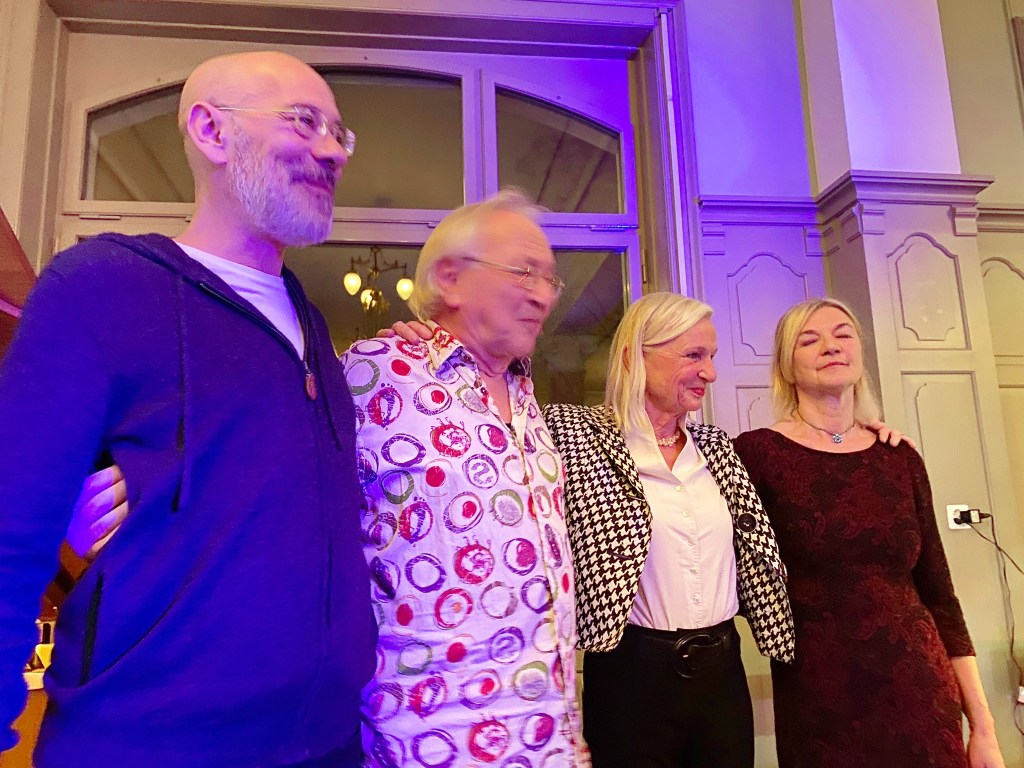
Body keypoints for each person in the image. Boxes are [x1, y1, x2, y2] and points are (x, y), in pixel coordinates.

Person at [0, 51, 376, 767]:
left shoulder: (315, 326)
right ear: (210, 130)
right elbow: (10, 531)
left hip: (327, 746)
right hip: (148, 746)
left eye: (339, 133)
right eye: (304, 122)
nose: (332, 150)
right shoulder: (100, 286)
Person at [345, 188, 587, 766]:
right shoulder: (374, 371)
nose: (543, 296)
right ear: (450, 278)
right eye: (523, 272)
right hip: (432, 740)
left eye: (550, 279)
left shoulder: (524, 392)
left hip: (548, 739)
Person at [732, 298, 1005, 768]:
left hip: (921, 689)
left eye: (843, 334)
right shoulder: (754, 456)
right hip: (819, 696)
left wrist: (984, 726)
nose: (831, 346)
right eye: (809, 340)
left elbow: (940, 596)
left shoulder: (899, 458)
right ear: (786, 367)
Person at [541, 292, 793, 768]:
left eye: (711, 356)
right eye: (693, 355)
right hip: (630, 676)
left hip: (722, 673)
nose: (710, 373)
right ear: (634, 355)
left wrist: (854, 427)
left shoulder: (715, 447)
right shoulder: (574, 433)